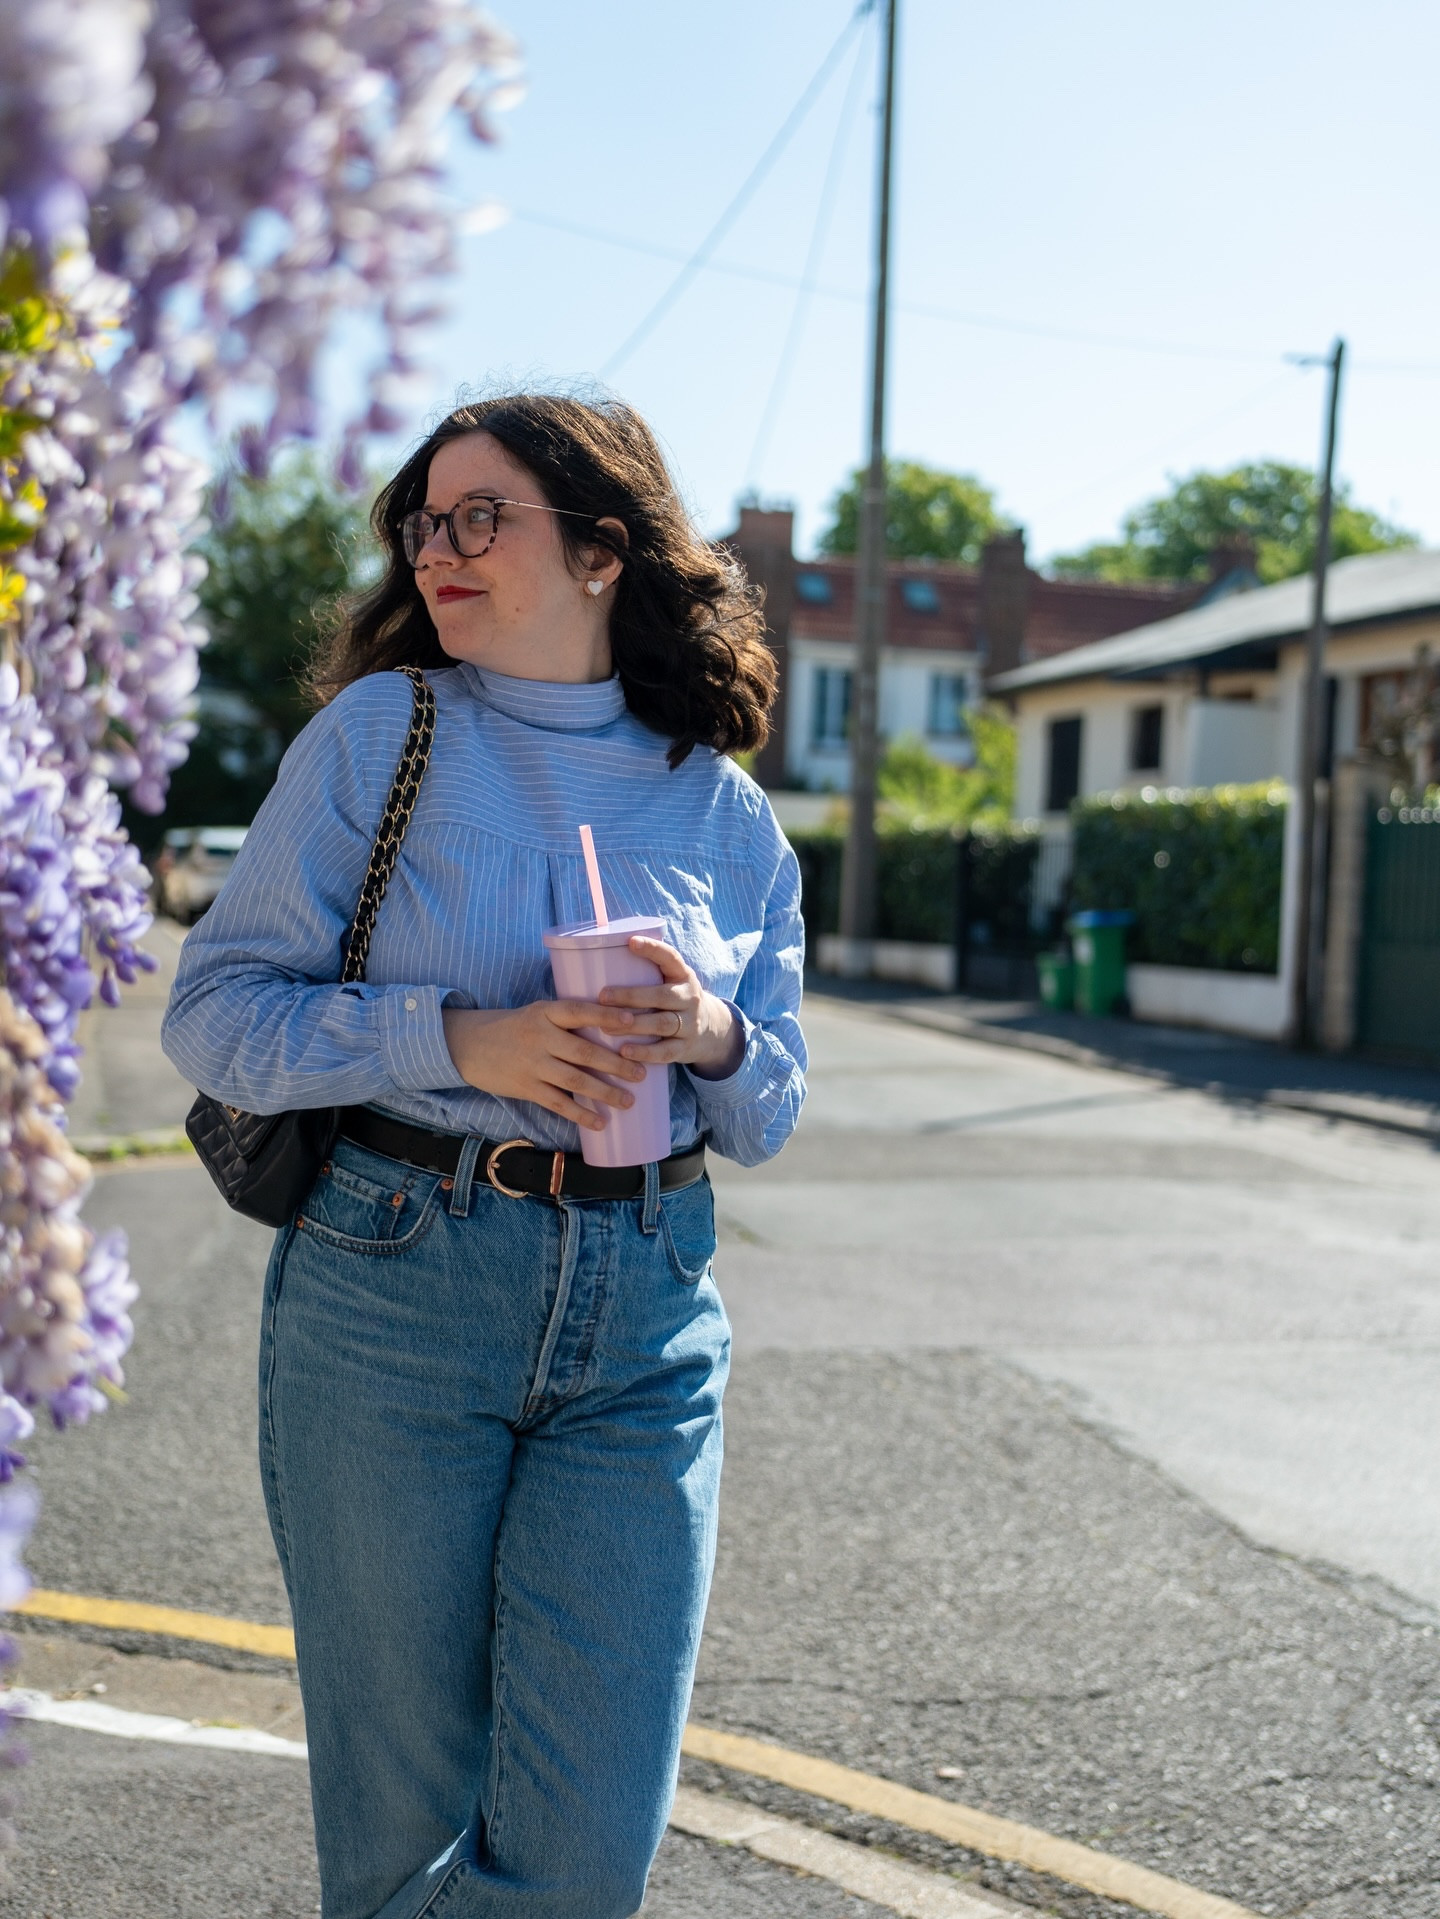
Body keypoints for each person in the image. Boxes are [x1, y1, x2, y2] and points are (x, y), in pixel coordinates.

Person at [161, 394, 807, 1919]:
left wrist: (709, 1028)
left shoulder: (722, 810)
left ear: (600, 548)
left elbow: (771, 1106)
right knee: (401, 1821)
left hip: (650, 1312)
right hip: (396, 1282)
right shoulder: (382, 734)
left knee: (587, 1857)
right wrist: (462, 1042)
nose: (436, 550)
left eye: (479, 517)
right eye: (422, 521)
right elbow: (215, 1012)